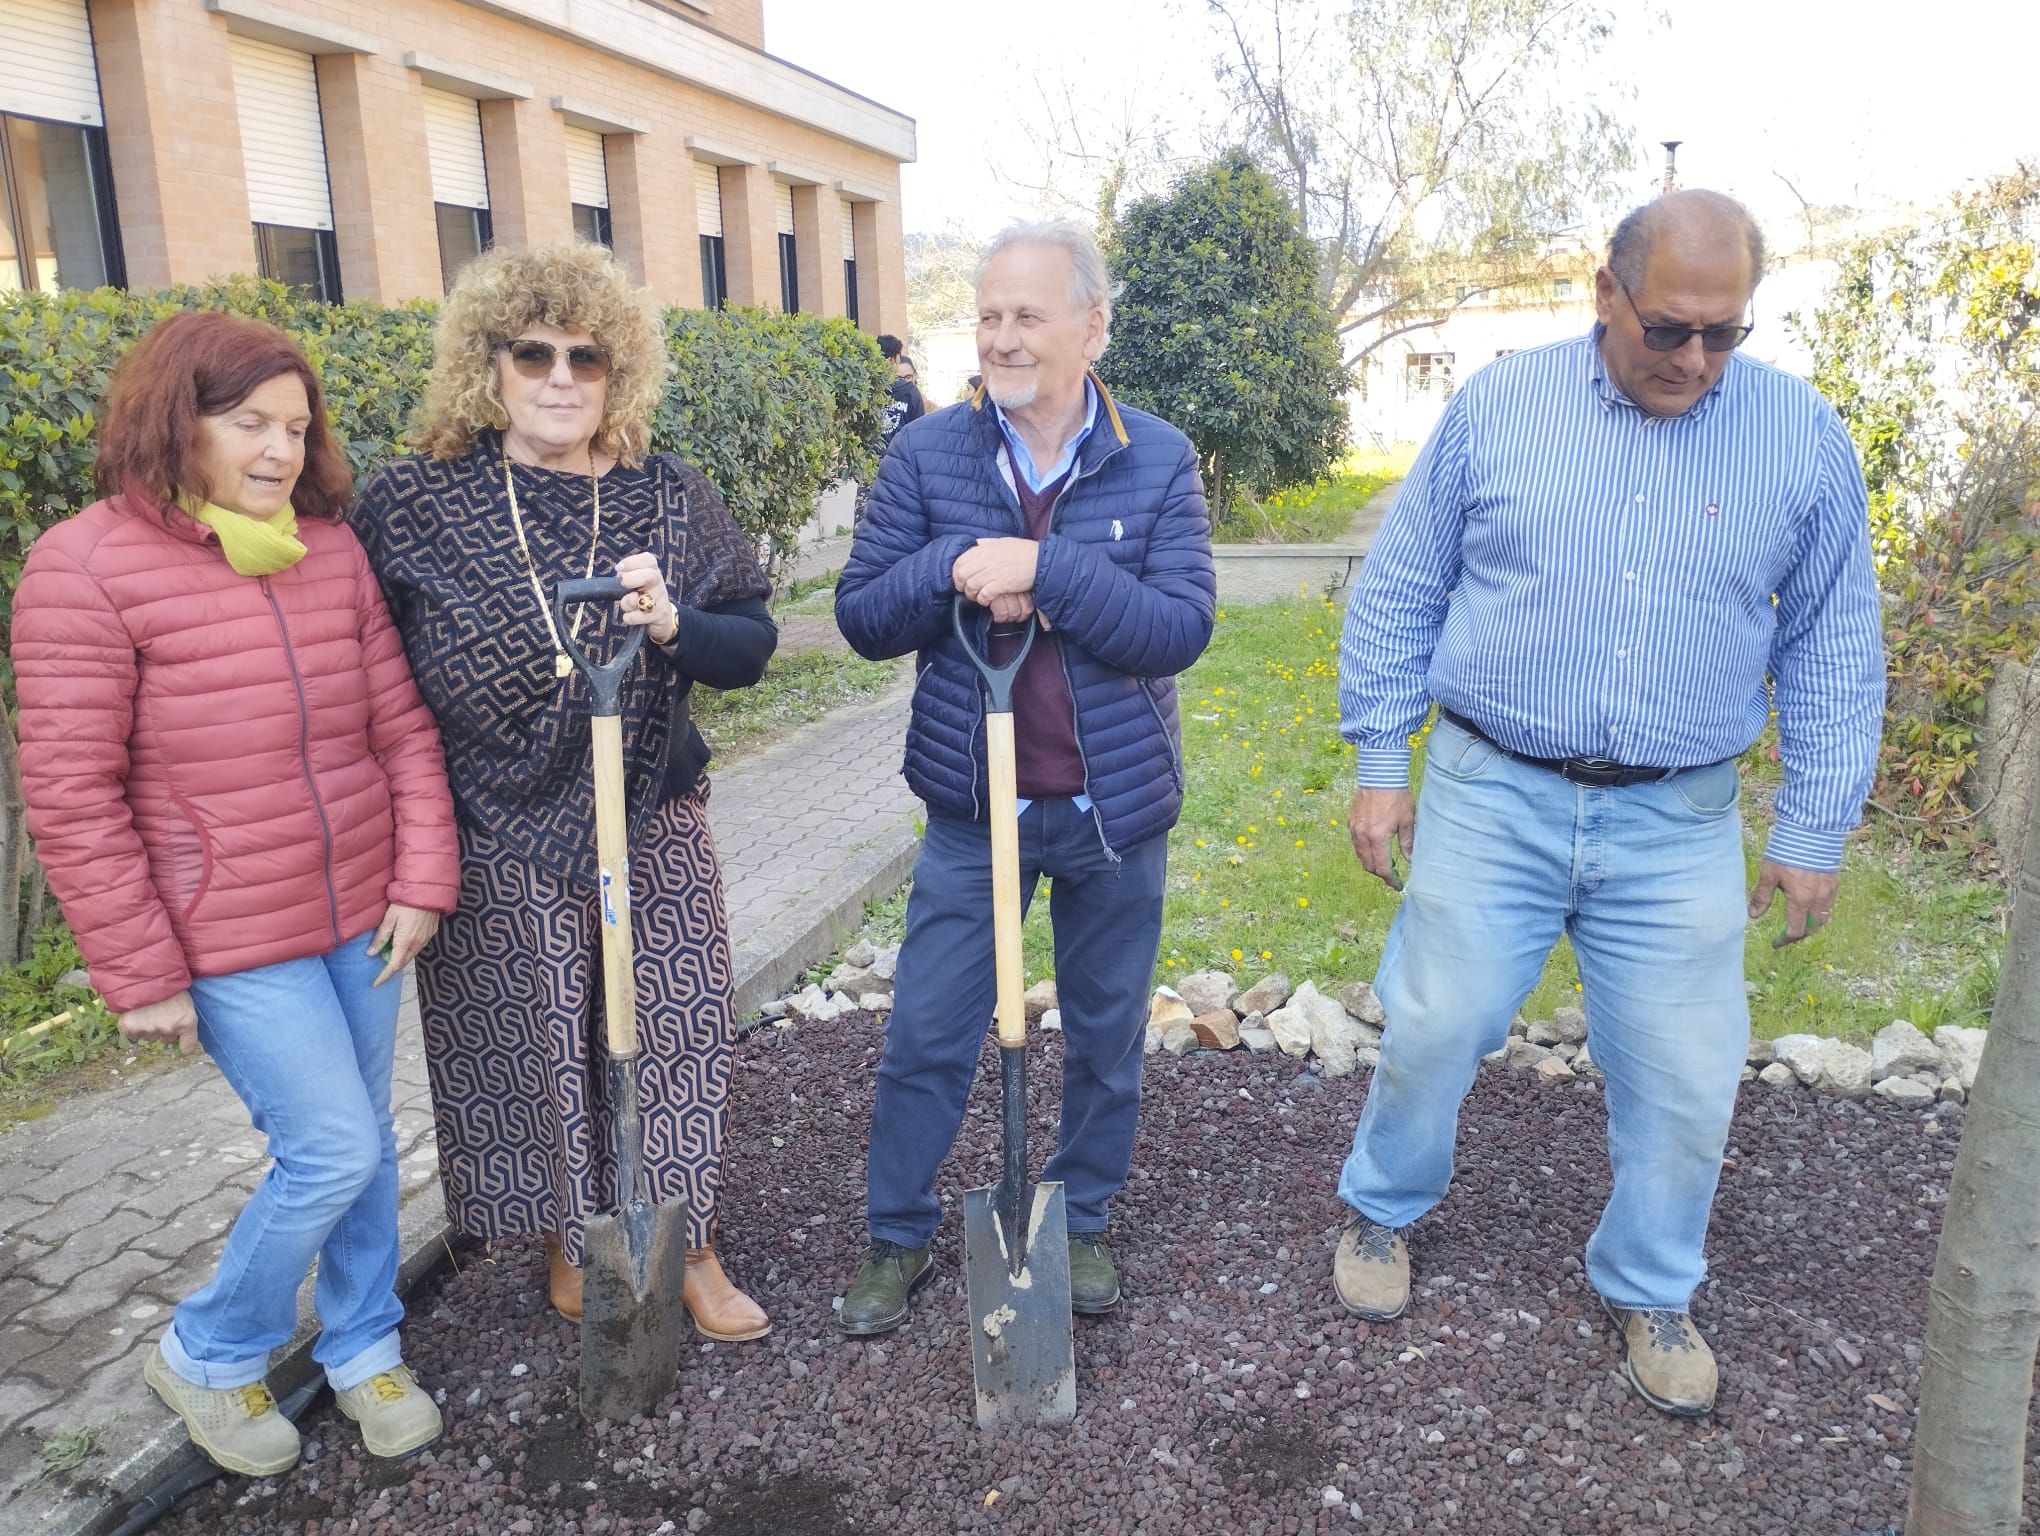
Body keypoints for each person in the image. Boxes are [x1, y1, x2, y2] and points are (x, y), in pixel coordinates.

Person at [1331, 190, 1885, 1416]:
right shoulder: (1498, 410)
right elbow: (1402, 586)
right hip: (1493, 792)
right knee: (1434, 1025)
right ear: (1605, 293)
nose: (1696, 359)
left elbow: (1838, 643)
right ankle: (1380, 1211)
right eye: (1671, 328)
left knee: (1691, 1077)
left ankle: (1651, 1282)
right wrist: (1381, 759)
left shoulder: (1799, 439)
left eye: (1724, 334)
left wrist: (1811, 827)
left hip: (1677, 818)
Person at [13, 311, 460, 1474]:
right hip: (226, 933)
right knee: (330, 1148)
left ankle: (365, 1344)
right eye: (248, 422)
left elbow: (400, 728)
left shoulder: (329, 548)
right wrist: (140, 969)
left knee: (362, 1145)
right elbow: (72, 791)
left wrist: (420, 875)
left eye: (296, 427)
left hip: (360, 911)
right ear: (178, 421)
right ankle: (211, 1351)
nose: (278, 450)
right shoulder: (86, 564)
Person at [353, 241, 778, 1343]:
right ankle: (572, 1233)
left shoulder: (668, 494)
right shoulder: (413, 503)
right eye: (531, 351)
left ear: (616, 372)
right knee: (535, 1037)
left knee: (677, 1024)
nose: (558, 377)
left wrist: (675, 623)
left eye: (586, 358)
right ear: (486, 363)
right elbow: (362, 668)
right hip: (492, 824)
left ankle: (687, 1241)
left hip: (648, 811)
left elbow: (751, 642)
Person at [834, 219, 1215, 1333]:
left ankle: (1080, 1216)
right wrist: (956, 569)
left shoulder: (1157, 456)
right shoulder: (928, 456)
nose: (1000, 338)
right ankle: (896, 1234)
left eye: (1026, 315)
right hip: (974, 809)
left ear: (1091, 327)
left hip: (1112, 814)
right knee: (926, 1033)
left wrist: (1048, 571)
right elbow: (860, 616)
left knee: (1104, 1032)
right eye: (989, 315)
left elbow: (1179, 626)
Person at [856, 335, 928, 527]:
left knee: (865, 523)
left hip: (869, 467)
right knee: (900, 523)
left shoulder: (863, 389)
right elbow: (919, 432)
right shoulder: (910, 392)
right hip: (901, 468)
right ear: (896, 359)